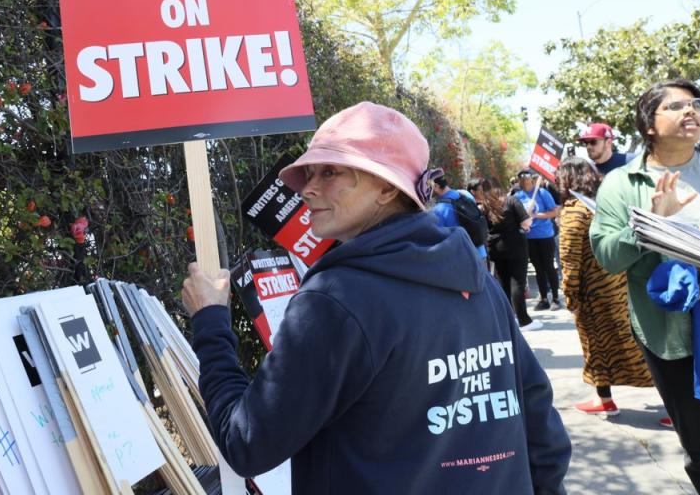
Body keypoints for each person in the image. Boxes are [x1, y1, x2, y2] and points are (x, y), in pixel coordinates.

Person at [183, 102, 570, 494]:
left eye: (330, 172)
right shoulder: (478, 281)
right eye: (309, 173)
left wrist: (211, 321)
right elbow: (542, 429)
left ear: (388, 187)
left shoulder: (336, 300)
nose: (307, 189)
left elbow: (246, 442)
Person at [590, 79, 700, 492]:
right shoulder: (623, 184)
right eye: (676, 105)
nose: (691, 111)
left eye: (696, 103)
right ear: (648, 124)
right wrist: (651, 227)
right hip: (674, 331)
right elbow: (608, 256)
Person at [555, 157, 653, 416]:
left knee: (602, 346)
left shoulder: (575, 210)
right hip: (619, 284)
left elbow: (569, 258)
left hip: (594, 293)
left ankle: (678, 406)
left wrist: (570, 296)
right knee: (627, 344)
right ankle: (604, 399)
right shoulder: (605, 205)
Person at [482, 177, 540, 331]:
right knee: (518, 283)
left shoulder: (485, 207)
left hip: (495, 248)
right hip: (515, 246)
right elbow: (526, 222)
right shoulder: (511, 201)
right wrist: (529, 217)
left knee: (503, 284)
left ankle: (508, 320)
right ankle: (523, 320)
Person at [514, 170, 562, 310]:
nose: (525, 181)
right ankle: (543, 298)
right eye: (521, 179)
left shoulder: (542, 193)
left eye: (527, 178)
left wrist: (536, 215)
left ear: (532, 180)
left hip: (545, 235)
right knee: (538, 268)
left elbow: (555, 211)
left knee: (548, 266)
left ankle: (556, 298)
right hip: (529, 237)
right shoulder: (517, 196)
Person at [432, 175, 488, 263]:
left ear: (437, 186)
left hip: (466, 260)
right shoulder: (465, 193)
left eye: (431, 187)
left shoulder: (438, 210)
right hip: (481, 251)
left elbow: (439, 241)